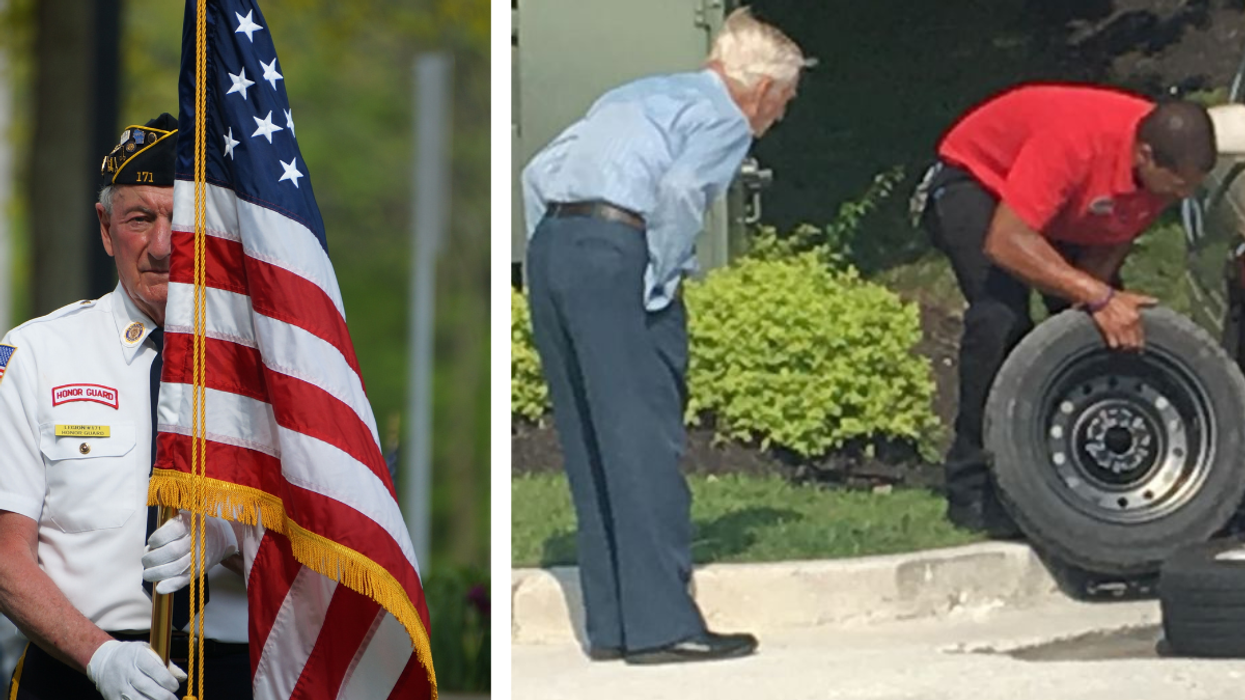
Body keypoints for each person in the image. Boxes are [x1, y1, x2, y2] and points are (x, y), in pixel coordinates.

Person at [521, 8, 810, 665]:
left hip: (555, 247)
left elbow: (537, 174)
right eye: (785, 100)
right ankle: (660, 626)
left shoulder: (636, 93)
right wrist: (659, 277)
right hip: (617, 250)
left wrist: (559, 250)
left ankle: (611, 624)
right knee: (641, 436)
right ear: (764, 89)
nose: (780, 114)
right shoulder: (725, 118)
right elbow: (680, 191)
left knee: (589, 439)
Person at [0, 114, 252, 700]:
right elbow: (6, 555)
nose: (163, 247)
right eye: (140, 219)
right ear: (106, 228)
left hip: (235, 674)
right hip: (77, 670)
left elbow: (324, 546)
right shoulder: (35, 355)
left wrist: (230, 539)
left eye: (182, 221)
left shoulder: (264, 369)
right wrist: (100, 655)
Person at [911, 84, 1216, 537]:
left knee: (1102, 333)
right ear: (1146, 156)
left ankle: (1067, 475)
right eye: (1177, 185)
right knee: (1001, 319)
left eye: (1192, 186)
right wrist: (1098, 297)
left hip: (1065, 205)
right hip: (978, 182)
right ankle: (972, 487)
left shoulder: (1165, 169)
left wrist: (1091, 302)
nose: (1183, 196)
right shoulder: (1075, 143)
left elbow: (1116, 233)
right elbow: (1005, 242)